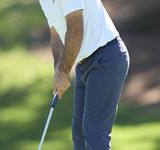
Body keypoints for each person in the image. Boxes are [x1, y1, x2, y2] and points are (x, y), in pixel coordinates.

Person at [39, 0, 130, 149]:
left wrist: (64, 72)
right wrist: (58, 71)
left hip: (106, 56)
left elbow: (76, 30)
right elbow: (56, 39)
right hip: (85, 64)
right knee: (79, 133)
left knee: (94, 132)